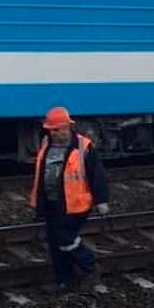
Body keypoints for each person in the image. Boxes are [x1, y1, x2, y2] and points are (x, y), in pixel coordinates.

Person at [30, 106, 109, 293]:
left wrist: (101, 200)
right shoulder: (45, 144)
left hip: (75, 204)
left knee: (65, 238)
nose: (57, 133)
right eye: (53, 130)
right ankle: (65, 281)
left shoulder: (83, 146)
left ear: (69, 126)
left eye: (60, 129)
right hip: (52, 202)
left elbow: (97, 175)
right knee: (54, 241)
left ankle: (90, 267)